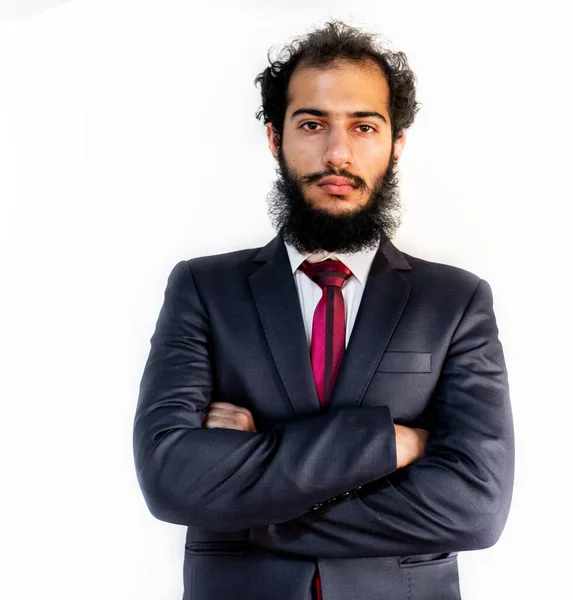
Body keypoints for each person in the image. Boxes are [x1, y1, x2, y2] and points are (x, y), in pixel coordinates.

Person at [133, 20, 514, 600]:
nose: (338, 153)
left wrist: (253, 495)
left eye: (364, 126)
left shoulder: (456, 302)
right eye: (312, 124)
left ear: (397, 143)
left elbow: (477, 507)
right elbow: (169, 478)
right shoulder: (202, 289)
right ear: (274, 137)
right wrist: (394, 443)